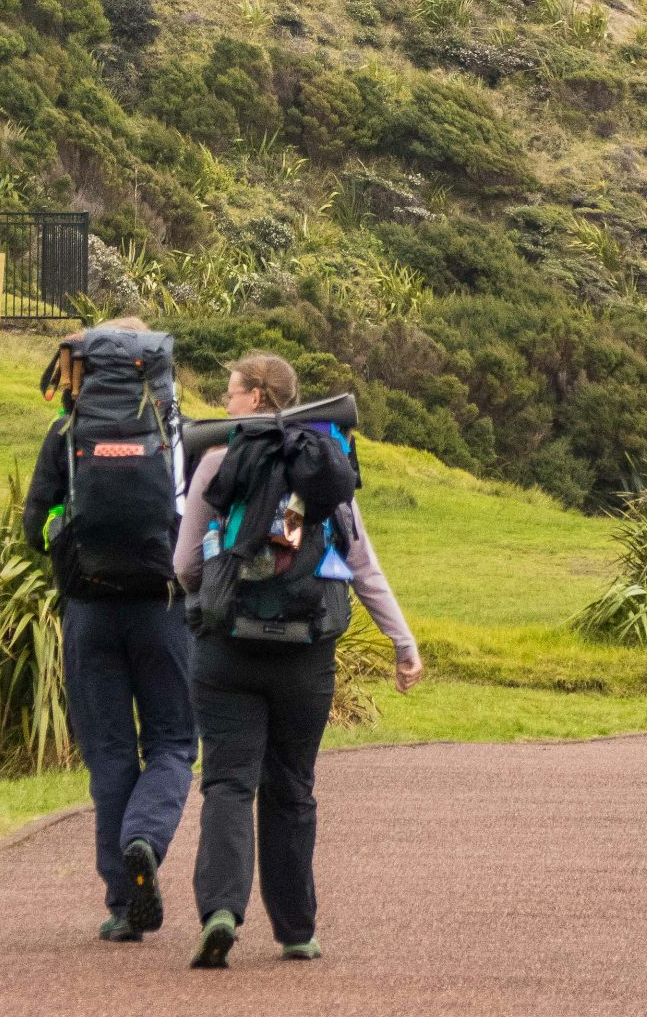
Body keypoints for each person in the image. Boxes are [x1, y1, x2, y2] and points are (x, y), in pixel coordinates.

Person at [175, 351, 424, 968]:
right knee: (292, 789)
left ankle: (223, 911)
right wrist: (403, 642)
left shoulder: (215, 460)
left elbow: (183, 565)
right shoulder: (326, 467)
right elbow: (362, 568)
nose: (226, 402)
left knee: (228, 783)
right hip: (305, 657)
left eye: (232, 392)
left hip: (226, 649)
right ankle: (296, 931)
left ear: (258, 396)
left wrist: (205, 598)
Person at [23, 317, 195, 944]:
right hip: (161, 606)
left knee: (109, 754)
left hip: (89, 609)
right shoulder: (176, 432)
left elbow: (33, 524)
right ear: (153, 369)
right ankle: (144, 837)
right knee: (174, 741)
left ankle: (123, 906)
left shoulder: (66, 433)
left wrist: (66, 554)